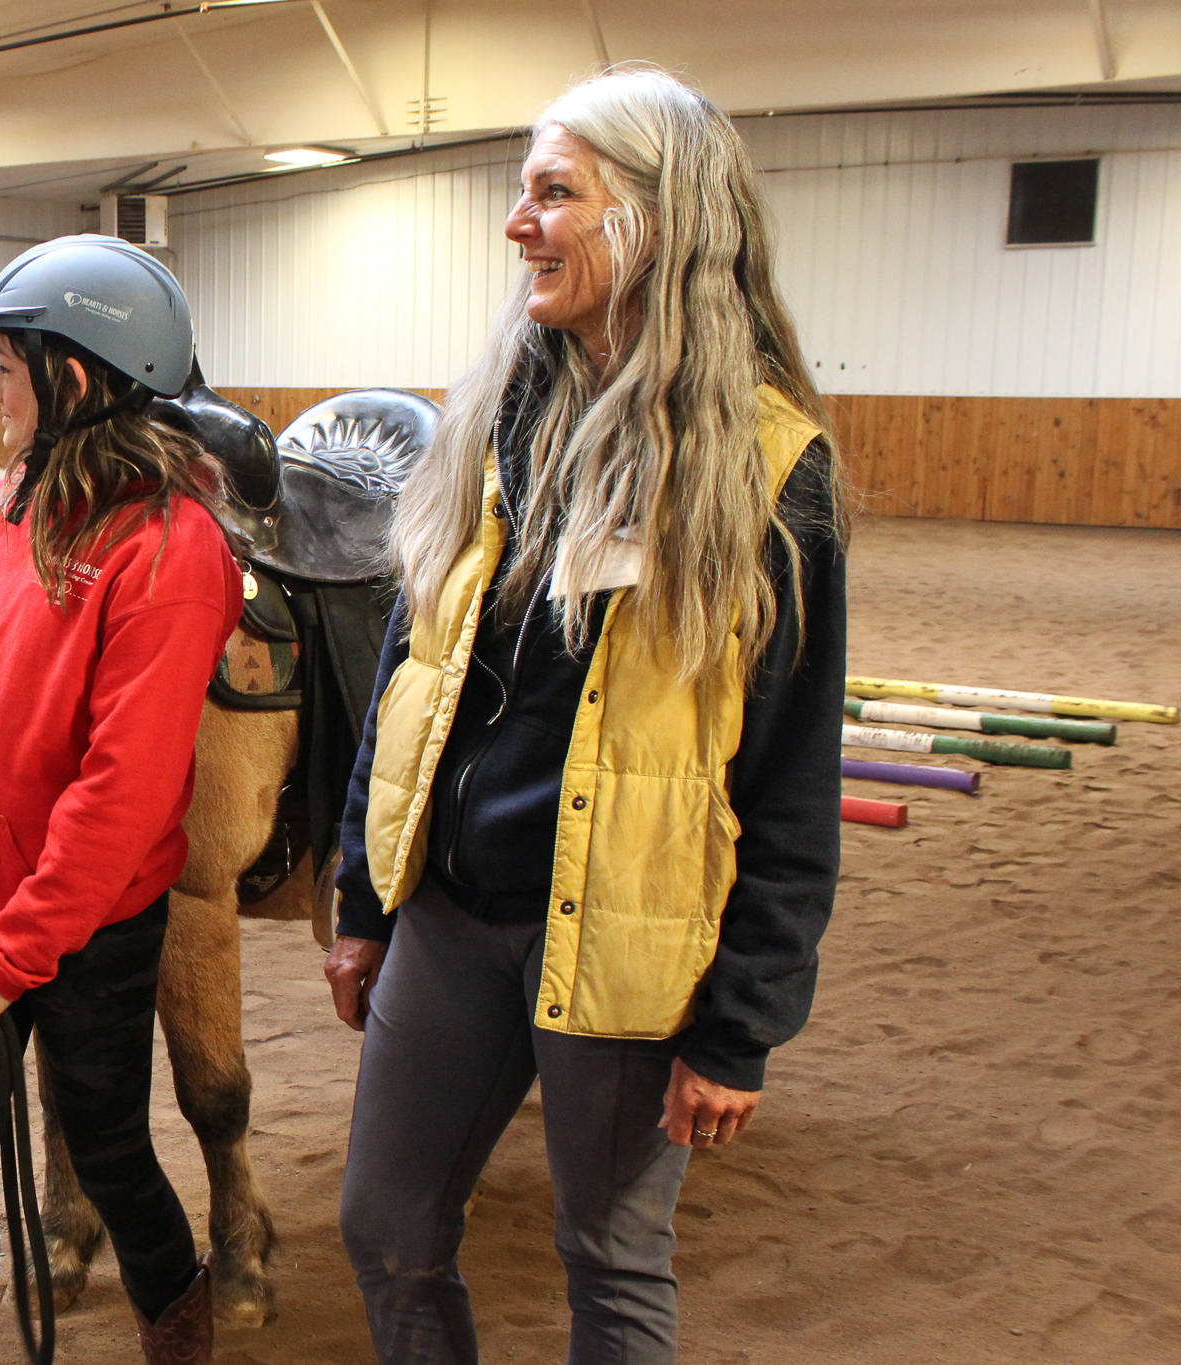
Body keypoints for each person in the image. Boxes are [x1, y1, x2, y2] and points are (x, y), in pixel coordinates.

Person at [327, 66, 847, 1365]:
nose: (519, 224)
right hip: (452, 917)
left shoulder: (767, 470)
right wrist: (366, 894)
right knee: (385, 1227)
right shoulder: (491, 420)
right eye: (523, 193)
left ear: (657, 220)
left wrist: (740, 1025)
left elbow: (790, 775)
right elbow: (410, 670)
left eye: (554, 194)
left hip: (624, 932)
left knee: (608, 1262)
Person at [0, 234, 240, 1365]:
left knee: (110, 1149)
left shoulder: (169, 550)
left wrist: (14, 956)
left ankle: (179, 1332)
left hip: (87, 930)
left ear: (72, 377)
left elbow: (124, 791)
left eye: (6, 367)